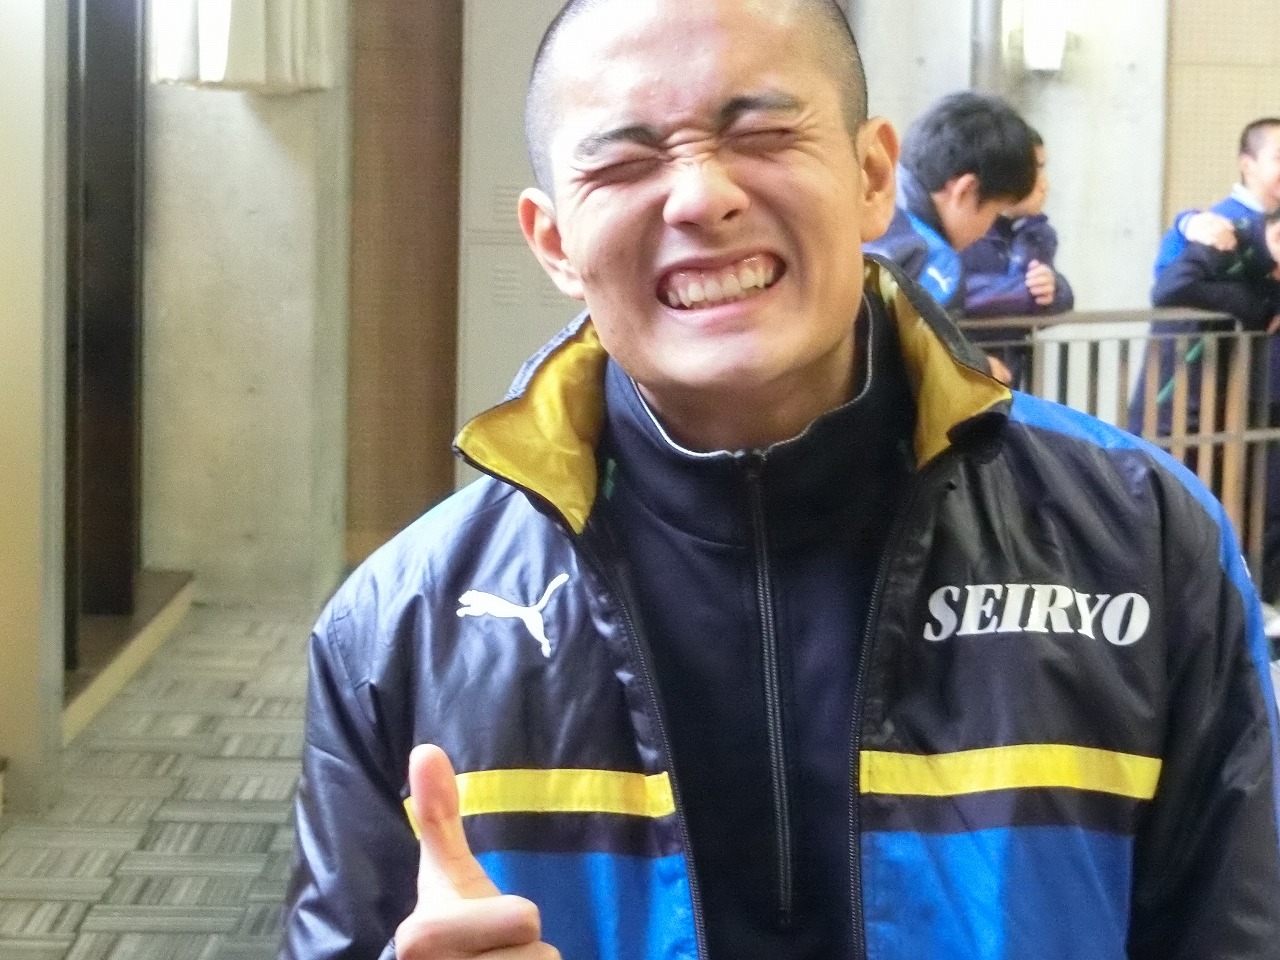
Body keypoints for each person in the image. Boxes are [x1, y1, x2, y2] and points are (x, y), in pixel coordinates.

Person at [281, 2, 1280, 959]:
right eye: (625, 162)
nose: (699, 196)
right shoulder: (401, 625)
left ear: (871, 175)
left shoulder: (1138, 542)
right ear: (554, 242)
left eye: (759, 134)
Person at [863, 91, 1037, 384]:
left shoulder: (862, 201)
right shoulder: (936, 263)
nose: (987, 230)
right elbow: (922, 364)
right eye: (995, 213)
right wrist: (979, 366)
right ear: (965, 190)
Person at [959, 129, 1074, 388]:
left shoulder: (1031, 231)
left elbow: (1057, 298)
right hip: (967, 373)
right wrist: (1029, 292)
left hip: (1009, 375)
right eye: (1035, 170)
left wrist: (1054, 287)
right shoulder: (965, 229)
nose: (1044, 184)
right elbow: (957, 297)